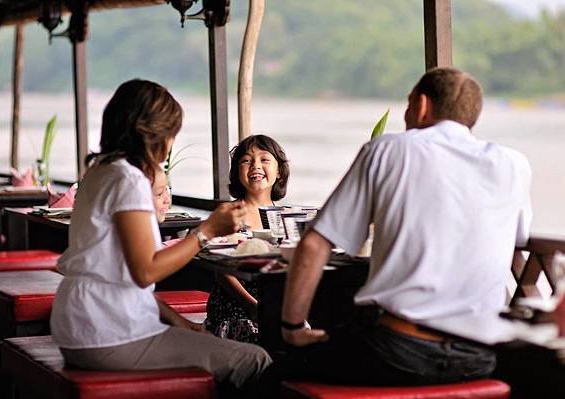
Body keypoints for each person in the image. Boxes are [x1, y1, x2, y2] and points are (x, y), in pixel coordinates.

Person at [259, 67, 532, 395]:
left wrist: (292, 329)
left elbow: (314, 246)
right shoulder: (513, 164)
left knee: (265, 376)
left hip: (395, 351)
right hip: (479, 357)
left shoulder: (388, 150)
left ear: (421, 105)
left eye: (406, 105)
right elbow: (516, 244)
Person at [49, 79, 271, 394]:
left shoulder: (101, 170)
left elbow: (125, 279)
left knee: (220, 349)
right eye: (170, 134)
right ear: (153, 134)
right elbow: (146, 271)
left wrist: (184, 325)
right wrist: (206, 231)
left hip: (83, 325)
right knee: (256, 360)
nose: (170, 145)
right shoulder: (128, 179)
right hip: (108, 334)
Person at [205, 134, 290, 343]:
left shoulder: (285, 218)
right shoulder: (228, 213)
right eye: (246, 160)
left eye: (264, 159)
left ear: (279, 172)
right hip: (235, 308)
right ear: (237, 173)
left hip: (274, 304)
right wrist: (253, 306)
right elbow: (221, 272)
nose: (255, 165)